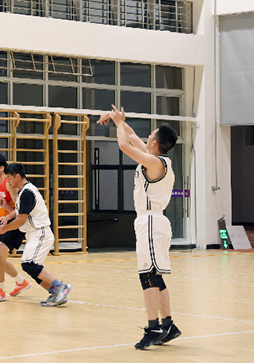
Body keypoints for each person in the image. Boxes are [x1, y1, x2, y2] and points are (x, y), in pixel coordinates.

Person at [98, 105, 181, 350]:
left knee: (147, 276)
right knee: (155, 276)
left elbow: (124, 145)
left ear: (155, 142)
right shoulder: (156, 158)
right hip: (152, 222)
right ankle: (168, 325)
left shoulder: (154, 162)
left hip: (151, 222)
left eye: (151, 134)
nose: (147, 136)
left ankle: (153, 327)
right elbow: (131, 136)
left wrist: (118, 124)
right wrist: (118, 120)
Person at [0, 163, 71, 307]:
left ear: (18, 176)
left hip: (40, 233)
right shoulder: (23, 192)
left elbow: (21, 219)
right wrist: (7, 213)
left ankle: (60, 286)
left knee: (29, 264)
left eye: (9, 178)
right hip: (34, 234)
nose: (8, 182)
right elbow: (19, 212)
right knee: (32, 268)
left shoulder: (27, 192)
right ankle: (55, 292)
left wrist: (4, 229)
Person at [0, 154, 30, 302]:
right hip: (6, 224)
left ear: (2, 168)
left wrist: (7, 215)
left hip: (15, 224)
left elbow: (19, 210)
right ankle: (21, 282)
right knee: (0, 259)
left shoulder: (9, 184)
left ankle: (0, 290)